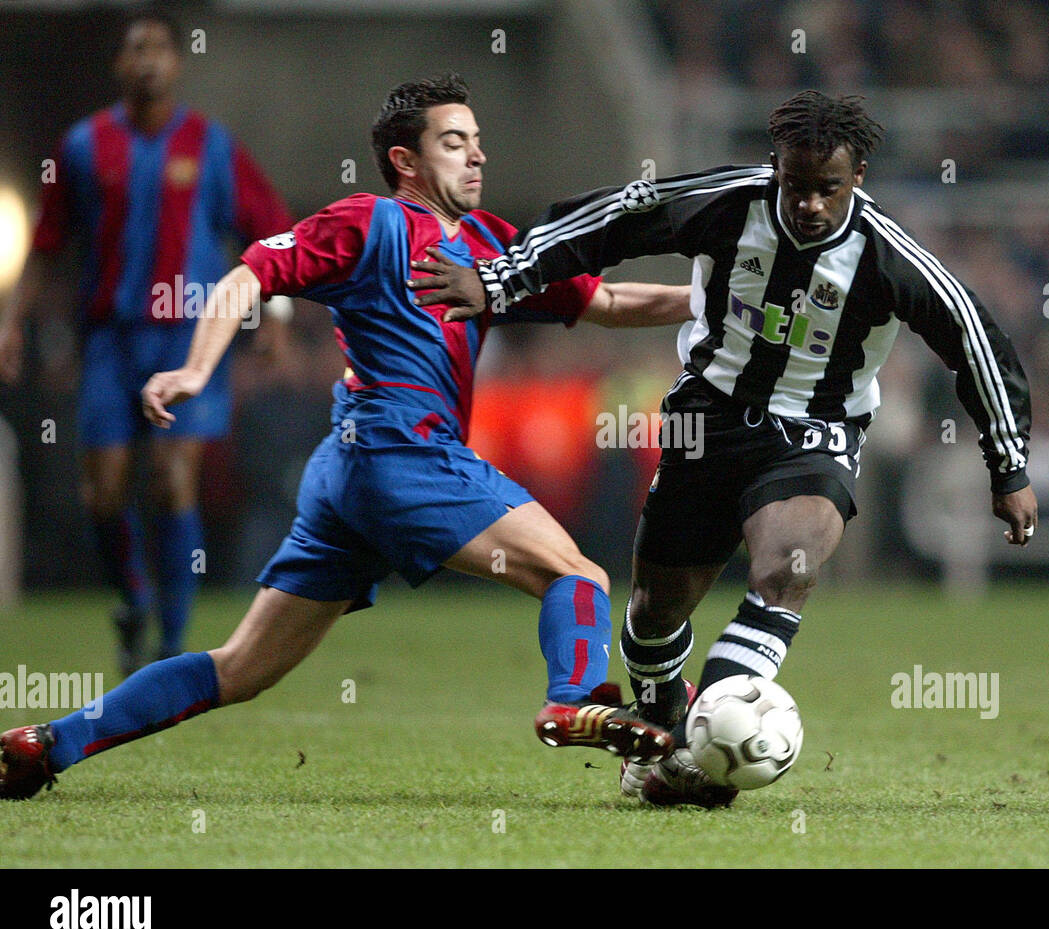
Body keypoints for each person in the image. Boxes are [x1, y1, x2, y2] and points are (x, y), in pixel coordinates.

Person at [0, 73, 691, 801]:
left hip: (347, 474)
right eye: (454, 143)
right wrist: (195, 369)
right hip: (403, 451)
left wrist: (714, 299)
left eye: (478, 143)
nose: (477, 157)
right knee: (577, 576)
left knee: (240, 666)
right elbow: (246, 277)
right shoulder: (368, 223)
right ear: (406, 161)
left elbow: (609, 299)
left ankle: (47, 742)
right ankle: (573, 698)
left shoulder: (493, 245)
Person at [410, 90, 1039, 807]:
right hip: (706, 421)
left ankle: (699, 754)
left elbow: (976, 338)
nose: (807, 204)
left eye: (826, 189)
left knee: (785, 568)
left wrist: (1009, 464)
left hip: (815, 432)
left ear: (857, 176)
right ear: (775, 169)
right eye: (794, 185)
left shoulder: (889, 256)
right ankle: (663, 728)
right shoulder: (724, 202)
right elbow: (612, 218)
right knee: (653, 611)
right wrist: (498, 278)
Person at [0, 12, 294, 674]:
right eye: (136, 50)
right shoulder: (83, 147)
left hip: (191, 337)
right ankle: (132, 599)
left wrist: (272, 313)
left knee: (171, 477)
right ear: (120, 66)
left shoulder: (212, 146)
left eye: (160, 49)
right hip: (110, 338)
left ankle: (171, 636)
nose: (148, 60)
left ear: (177, 64)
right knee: (102, 491)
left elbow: (269, 230)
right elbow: (46, 243)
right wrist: (13, 321)